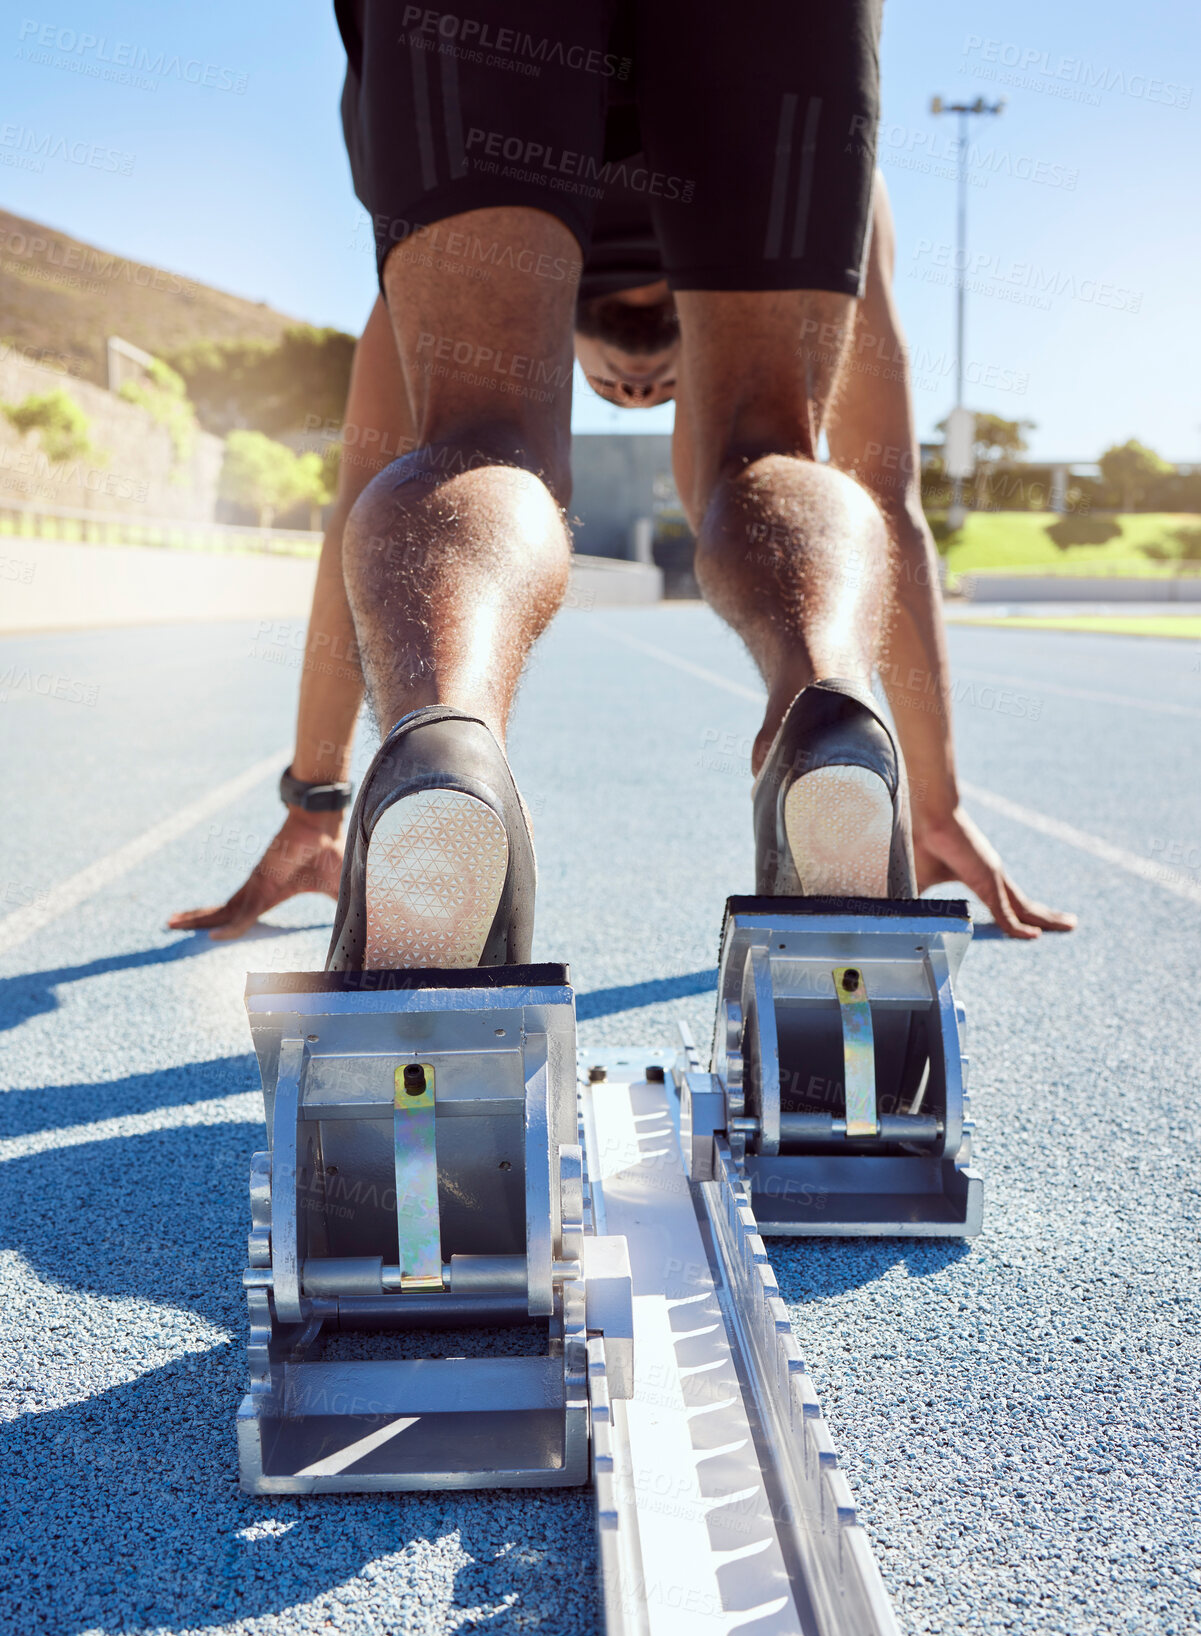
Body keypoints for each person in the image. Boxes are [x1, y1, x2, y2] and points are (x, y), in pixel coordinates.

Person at [170, 0, 1074, 957]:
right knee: (771, 447)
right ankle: (829, 712)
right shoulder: (868, 211)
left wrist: (318, 800)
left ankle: (443, 747)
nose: (636, 391)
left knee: (476, 441)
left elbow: (362, 501)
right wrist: (933, 803)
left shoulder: (442, 280)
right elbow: (884, 502)